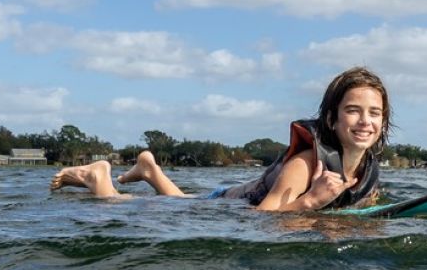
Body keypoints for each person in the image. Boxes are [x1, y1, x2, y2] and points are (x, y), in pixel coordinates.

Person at [49, 66, 391, 212]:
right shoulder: (305, 165)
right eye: (353, 111)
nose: (365, 121)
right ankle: (99, 179)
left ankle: (150, 170)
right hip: (230, 206)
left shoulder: (366, 169)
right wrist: (311, 202)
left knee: (182, 203)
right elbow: (262, 222)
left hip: (225, 198)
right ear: (331, 119)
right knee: (135, 207)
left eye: (374, 113)